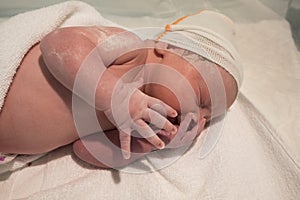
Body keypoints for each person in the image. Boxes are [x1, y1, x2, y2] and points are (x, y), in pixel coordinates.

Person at [0, 10, 242, 168]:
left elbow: (85, 151)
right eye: (200, 97)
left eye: (206, 119)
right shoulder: (133, 52)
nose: (196, 118)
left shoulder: (138, 117)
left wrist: (150, 142)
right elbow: (57, 43)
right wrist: (114, 94)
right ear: (165, 48)